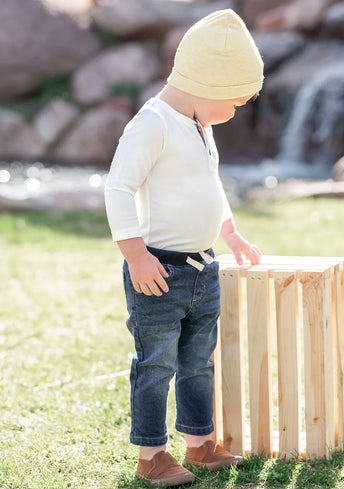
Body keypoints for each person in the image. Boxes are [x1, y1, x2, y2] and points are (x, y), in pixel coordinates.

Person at [104, 8, 264, 487]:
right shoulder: (152, 124)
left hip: (202, 270)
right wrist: (135, 255)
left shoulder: (200, 126)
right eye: (233, 102)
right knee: (156, 364)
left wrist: (229, 232)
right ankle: (151, 454)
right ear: (207, 84)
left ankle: (200, 443)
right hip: (159, 271)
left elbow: (209, 186)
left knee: (198, 361)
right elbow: (117, 188)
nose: (234, 113)